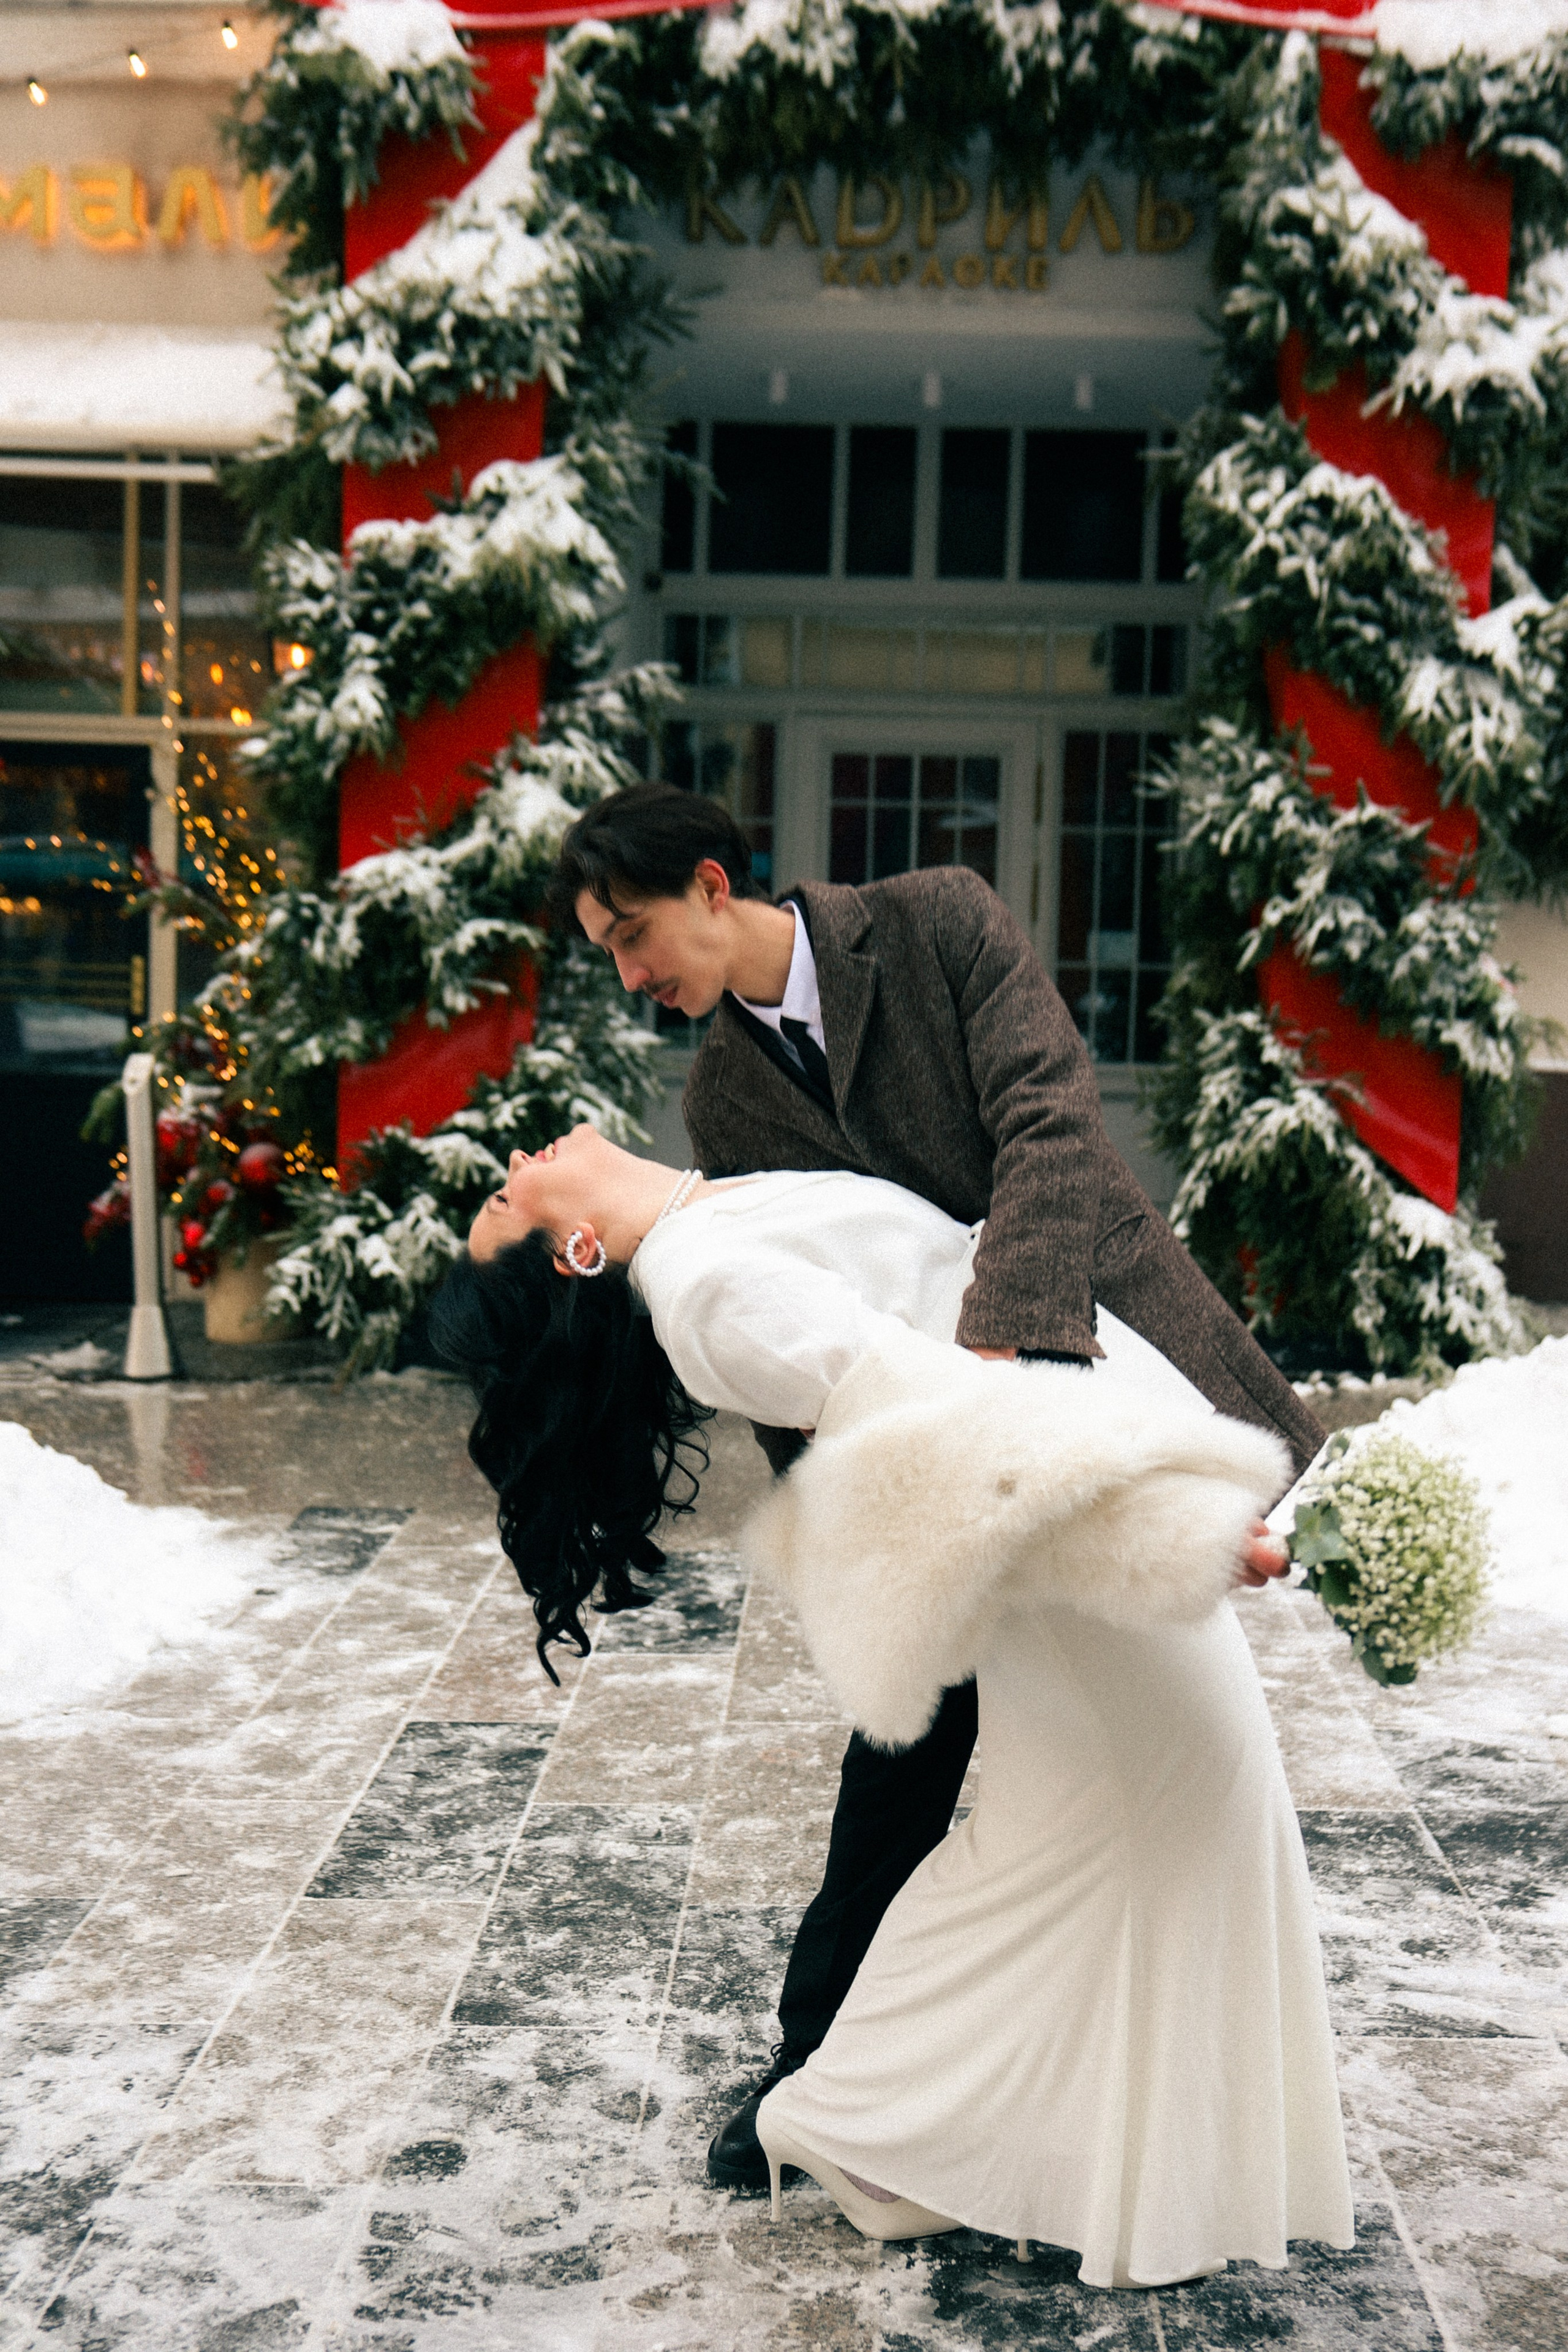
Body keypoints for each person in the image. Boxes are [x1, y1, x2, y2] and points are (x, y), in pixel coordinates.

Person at [546, 783, 1326, 2197]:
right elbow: (803, 1304)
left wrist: (1001, 1351)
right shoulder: (722, 1095)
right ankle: (817, 2070)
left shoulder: (936, 924)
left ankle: (1130, 2077)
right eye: (606, 951)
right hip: (939, 1460)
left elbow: (1050, 1123)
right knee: (904, 1752)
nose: (628, 974)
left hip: (1099, 1343)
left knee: (1135, 1746)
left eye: (632, 933)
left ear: (711, 884)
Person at [431, 1126, 1354, 2289]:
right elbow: (950, 1420)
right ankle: (854, 2120)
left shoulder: (709, 1213)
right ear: (574, 1248)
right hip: (1063, 1528)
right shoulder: (707, 1290)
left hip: (1064, 1493)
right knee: (1167, 1805)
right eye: (504, 1197)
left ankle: (941, 2145)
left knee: (1098, 1833)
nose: (516, 1157)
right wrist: (1173, 1523)